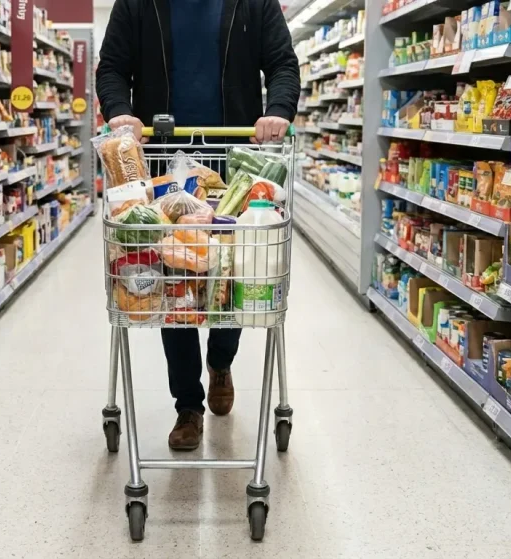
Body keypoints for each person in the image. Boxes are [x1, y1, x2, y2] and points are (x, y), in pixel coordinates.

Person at [97, 0, 300, 451]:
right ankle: (187, 404)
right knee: (175, 277)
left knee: (232, 268)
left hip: (236, 163)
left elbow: (282, 62)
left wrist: (279, 110)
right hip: (162, 162)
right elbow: (112, 67)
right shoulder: (136, 3)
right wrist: (119, 113)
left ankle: (222, 361)